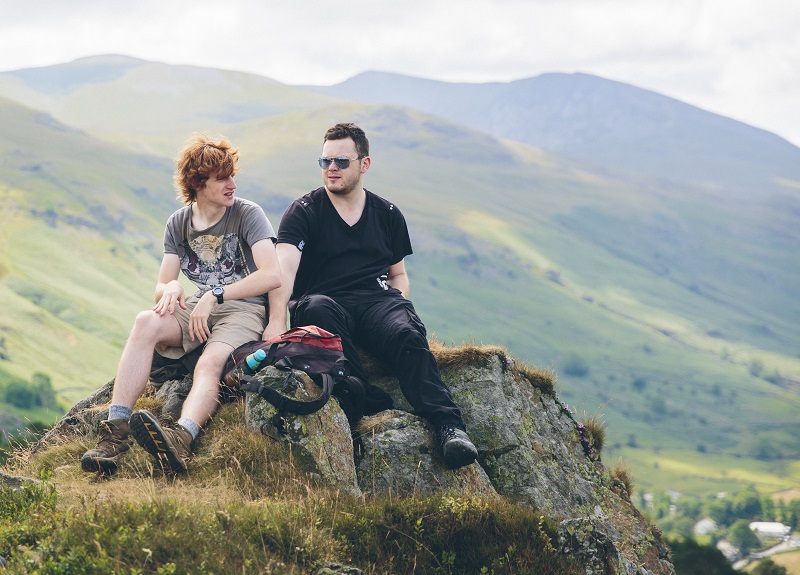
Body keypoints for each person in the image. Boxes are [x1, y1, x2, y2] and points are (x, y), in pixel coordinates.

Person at [263, 123, 478, 469]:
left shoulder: (388, 215)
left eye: (341, 161)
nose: (331, 168)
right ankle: (362, 396)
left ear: (364, 164)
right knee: (317, 307)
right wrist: (275, 322)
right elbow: (283, 272)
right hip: (324, 301)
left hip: (376, 302)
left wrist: (397, 306)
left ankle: (449, 426)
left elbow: (398, 275)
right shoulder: (303, 211)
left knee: (407, 333)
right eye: (325, 161)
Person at [81, 134, 281, 476]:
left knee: (210, 362)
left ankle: (181, 438)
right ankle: (115, 435)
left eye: (233, 176)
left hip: (244, 308)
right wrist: (170, 287)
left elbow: (272, 275)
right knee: (146, 322)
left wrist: (217, 294)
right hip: (199, 306)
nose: (232, 184)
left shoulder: (248, 214)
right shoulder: (178, 222)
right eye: (222, 179)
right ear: (197, 183)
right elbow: (162, 286)